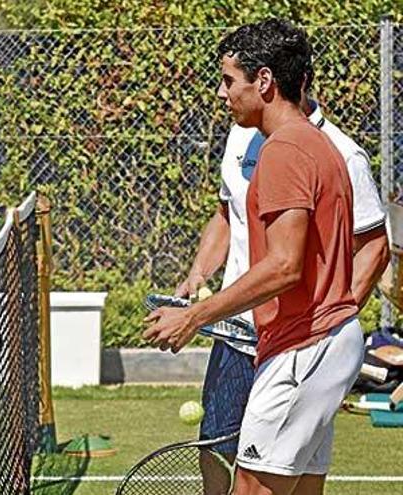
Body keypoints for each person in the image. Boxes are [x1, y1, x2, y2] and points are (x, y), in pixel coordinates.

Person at [144, 19, 368, 494]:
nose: (223, 94)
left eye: (229, 81)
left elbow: (285, 265)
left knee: (250, 488)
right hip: (322, 343)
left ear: (263, 81)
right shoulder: (318, 143)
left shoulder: (285, 149)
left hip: (305, 346)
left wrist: (195, 316)